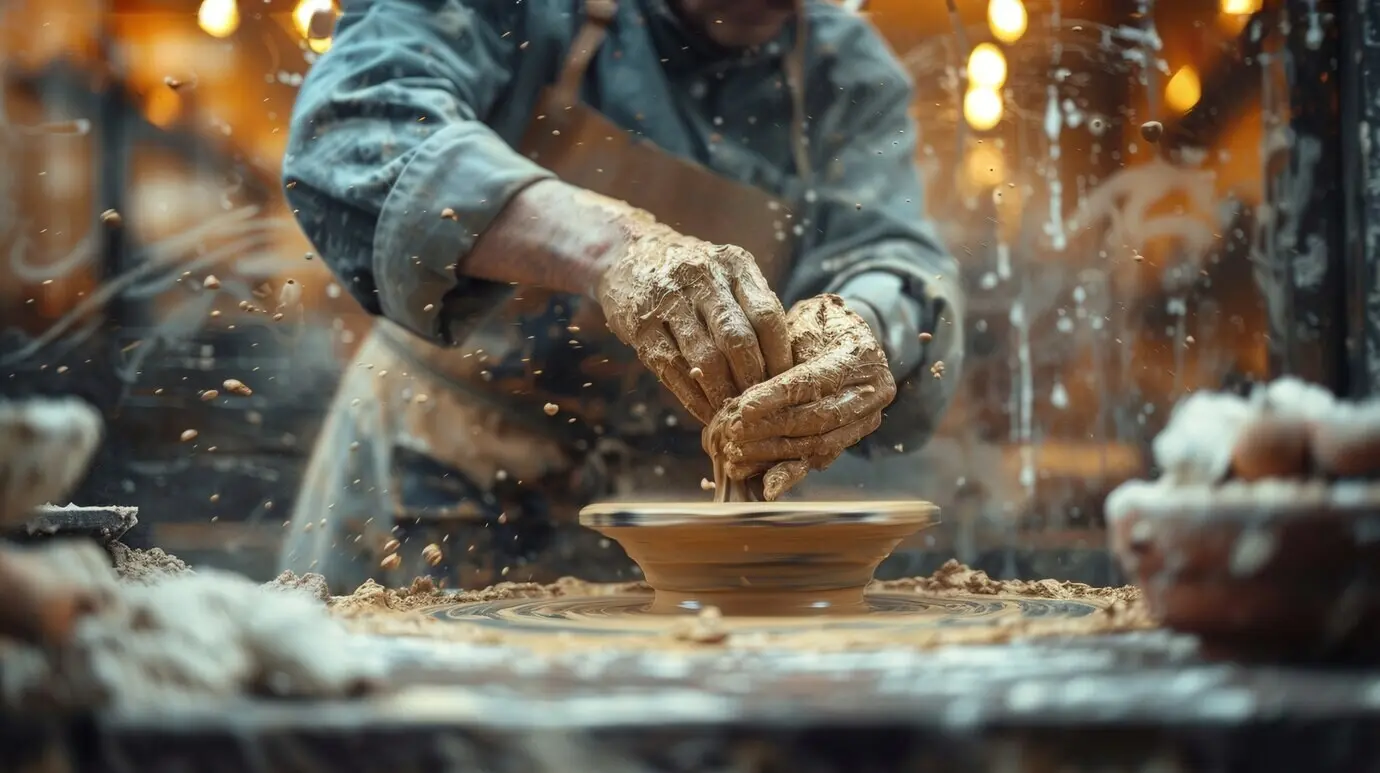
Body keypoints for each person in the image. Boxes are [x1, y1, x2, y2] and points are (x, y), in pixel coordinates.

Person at [279, 0, 964, 593]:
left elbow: (891, 253)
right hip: (437, 479)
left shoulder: (842, 69)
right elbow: (355, 128)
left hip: (671, 531)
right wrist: (615, 248)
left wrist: (863, 320)